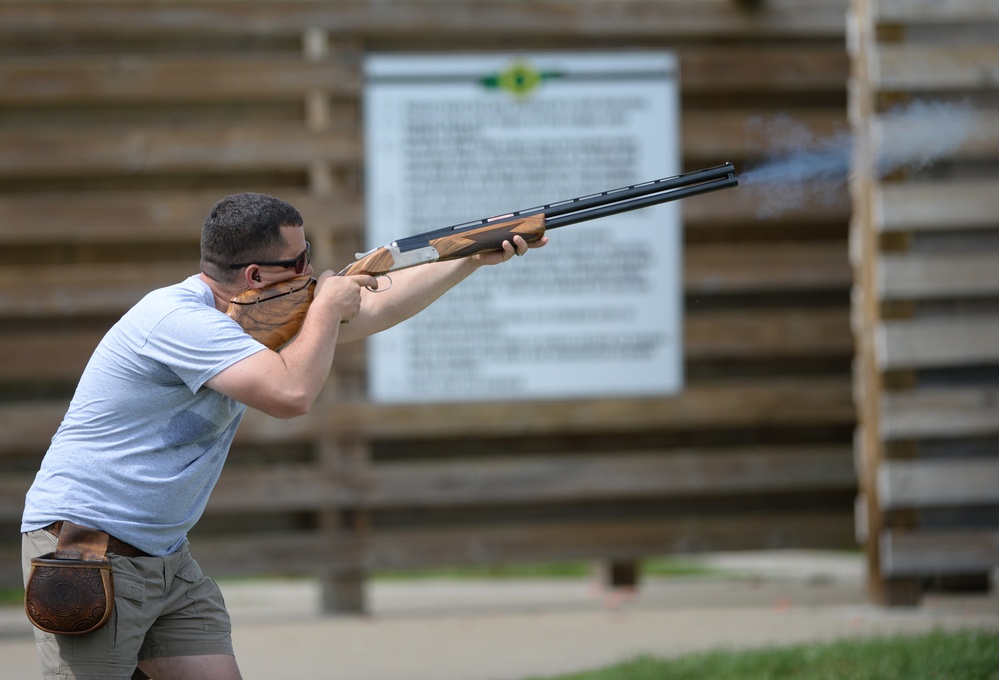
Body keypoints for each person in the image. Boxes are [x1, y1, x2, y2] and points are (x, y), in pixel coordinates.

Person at [21, 191, 547, 679]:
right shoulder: (180, 321)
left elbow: (376, 308)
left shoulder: (244, 317)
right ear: (254, 274)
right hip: (88, 550)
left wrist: (468, 257)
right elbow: (290, 395)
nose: (312, 270)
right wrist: (324, 306)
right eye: (299, 262)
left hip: (163, 556)